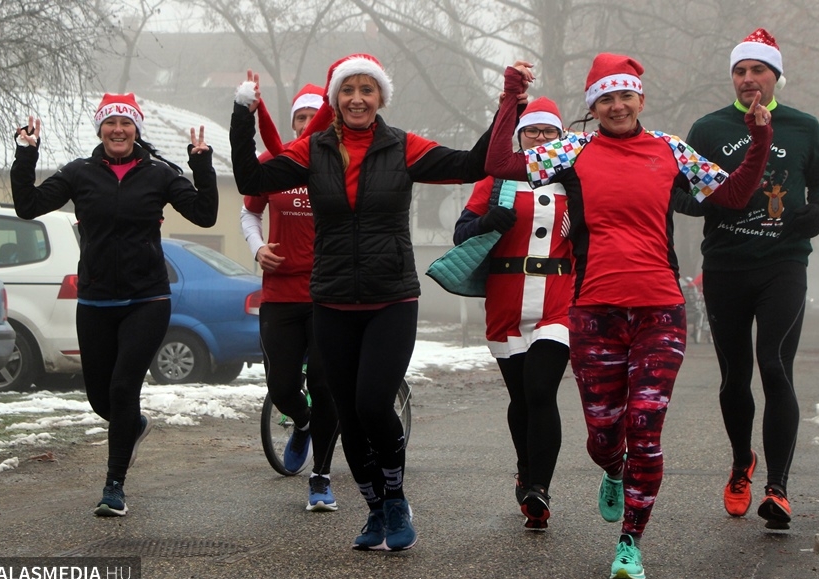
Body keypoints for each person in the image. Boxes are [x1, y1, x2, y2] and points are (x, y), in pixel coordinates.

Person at [485, 54, 773, 579]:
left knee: (645, 428)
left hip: (660, 310)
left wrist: (759, 140)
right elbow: (500, 165)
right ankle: (612, 469)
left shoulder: (669, 148)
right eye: (605, 98)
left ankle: (630, 543)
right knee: (602, 435)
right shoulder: (574, 149)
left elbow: (732, 194)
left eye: (626, 96)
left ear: (640, 99)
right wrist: (510, 97)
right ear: (593, 107)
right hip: (594, 312)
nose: (617, 106)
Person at [230, 53, 493, 551]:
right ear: (335, 100)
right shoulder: (313, 152)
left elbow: (472, 164)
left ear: (380, 98)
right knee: (349, 417)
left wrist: (508, 103)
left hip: (391, 297)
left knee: (373, 403)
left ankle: (395, 498)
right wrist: (243, 114)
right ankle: (375, 511)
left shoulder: (404, 146)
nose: (356, 98)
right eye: (347, 90)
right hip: (330, 300)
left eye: (366, 90)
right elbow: (250, 180)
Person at [10, 93, 218, 517]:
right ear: (100, 129)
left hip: (147, 298)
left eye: (126, 123)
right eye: (110, 123)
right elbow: (27, 205)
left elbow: (205, 214)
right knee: (102, 400)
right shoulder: (79, 173)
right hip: (96, 298)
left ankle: (114, 486)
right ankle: (133, 425)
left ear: (136, 129)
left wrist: (201, 166)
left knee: (124, 388)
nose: (118, 130)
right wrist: (25, 154)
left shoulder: (159, 174)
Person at [675, 28, 819, 530]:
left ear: (775, 76)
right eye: (740, 71)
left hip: (784, 263)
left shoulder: (802, 126)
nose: (748, 79)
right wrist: (711, 198)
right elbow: (678, 194)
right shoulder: (708, 129)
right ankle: (742, 462)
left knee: (774, 364)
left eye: (758, 70)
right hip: (725, 266)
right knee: (734, 375)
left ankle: (778, 488)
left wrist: (818, 211)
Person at [453, 96, 573, 531]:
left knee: (541, 391)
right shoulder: (497, 179)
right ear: (520, 136)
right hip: (505, 297)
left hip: (557, 299)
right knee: (521, 398)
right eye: (532, 131)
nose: (541, 139)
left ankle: (540, 487)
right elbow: (461, 233)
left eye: (549, 132)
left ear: (561, 138)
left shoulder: (573, 177)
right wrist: (488, 222)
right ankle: (525, 469)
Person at [240, 83, 341, 511]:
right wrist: (257, 248)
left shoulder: (337, 163)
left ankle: (320, 476)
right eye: (299, 118)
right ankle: (301, 422)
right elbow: (250, 211)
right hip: (280, 293)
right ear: (292, 123)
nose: (306, 126)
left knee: (324, 381)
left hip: (328, 292)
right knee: (282, 386)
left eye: (313, 119)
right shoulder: (275, 162)